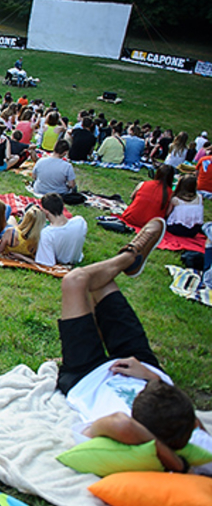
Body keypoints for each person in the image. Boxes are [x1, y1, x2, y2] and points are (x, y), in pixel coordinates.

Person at [55, 218, 210, 472]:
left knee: (75, 281)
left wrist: (172, 460)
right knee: (101, 282)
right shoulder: (198, 442)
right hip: (141, 365)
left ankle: (129, 257)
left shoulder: (126, 431)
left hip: (86, 375)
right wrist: (151, 378)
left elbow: (122, 425)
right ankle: (130, 258)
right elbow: (191, 420)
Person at [35, 193, 87, 268]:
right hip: (76, 258)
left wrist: (22, 258)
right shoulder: (80, 222)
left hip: (62, 260)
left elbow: (45, 264)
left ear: (46, 211)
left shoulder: (47, 234)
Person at [120, 164, 175, 228]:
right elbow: (167, 213)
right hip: (151, 225)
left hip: (130, 218)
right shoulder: (171, 194)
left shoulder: (143, 184)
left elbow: (132, 197)